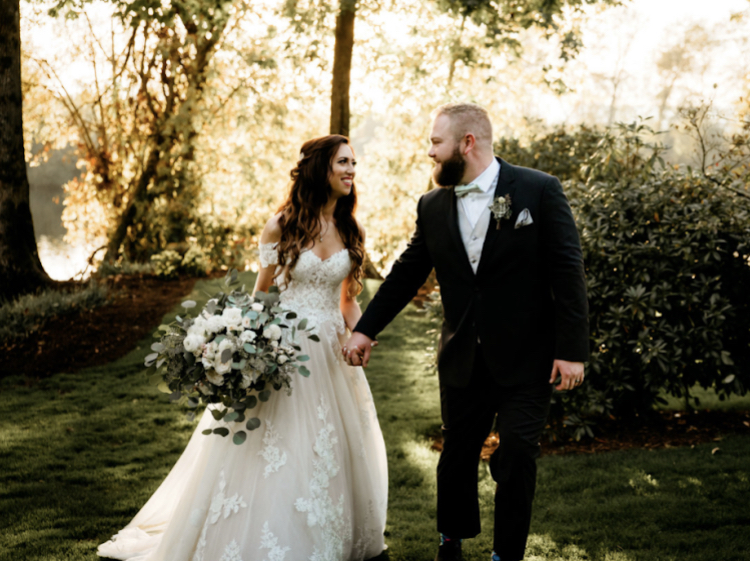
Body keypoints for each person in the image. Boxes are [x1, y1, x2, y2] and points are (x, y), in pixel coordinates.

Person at [98, 135, 388, 561]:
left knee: (331, 448)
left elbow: (347, 300)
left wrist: (364, 335)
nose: (351, 171)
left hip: (332, 354)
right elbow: (261, 297)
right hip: (286, 351)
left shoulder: (351, 227)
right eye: (343, 162)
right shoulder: (282, 226)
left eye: (354, 163)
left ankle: (330, 533)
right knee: (279, 446)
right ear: (319, 169)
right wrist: (245, 344)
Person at [343, 103, 589, 561]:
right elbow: (405, 274)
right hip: (462, 357)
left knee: (516, 452)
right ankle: (450, 541)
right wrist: (365, 330)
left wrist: (572, 350)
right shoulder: (432, 205)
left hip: (526, 357)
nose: (430, 152)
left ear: (467, 143)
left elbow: (567, 272)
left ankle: (506, 555)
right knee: (456, 455)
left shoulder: (537, 190)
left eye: (436, 142)